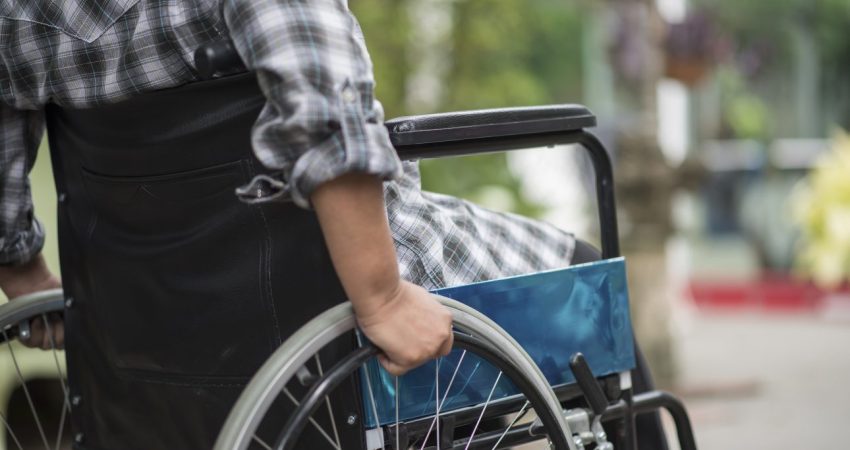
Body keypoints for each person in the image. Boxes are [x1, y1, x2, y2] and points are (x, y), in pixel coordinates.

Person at [0, 1, 649, 449]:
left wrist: (24, 272)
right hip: (341, 299)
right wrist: (384, 298)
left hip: (147, 350)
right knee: (582, 275)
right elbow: (327, 118)